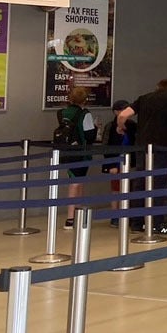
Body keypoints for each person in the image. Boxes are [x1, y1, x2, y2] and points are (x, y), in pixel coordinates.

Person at [116, 79, 167, 233]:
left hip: (142, 147)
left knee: (140, 183)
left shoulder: (144, 98)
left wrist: (121, 128)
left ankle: (136, 223)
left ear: (157, 88)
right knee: (159, 183)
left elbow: (123, 115)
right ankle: (156, 223)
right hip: (161, 147)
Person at [58, 86, 98, 229]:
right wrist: (96, 127)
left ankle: (77, 213)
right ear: (85, 100)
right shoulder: (85, 114)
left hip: (66, 150)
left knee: (76, 180)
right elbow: (89, 135)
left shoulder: (62, 113)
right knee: (76, 183)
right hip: (81, 152)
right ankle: (71, 218)